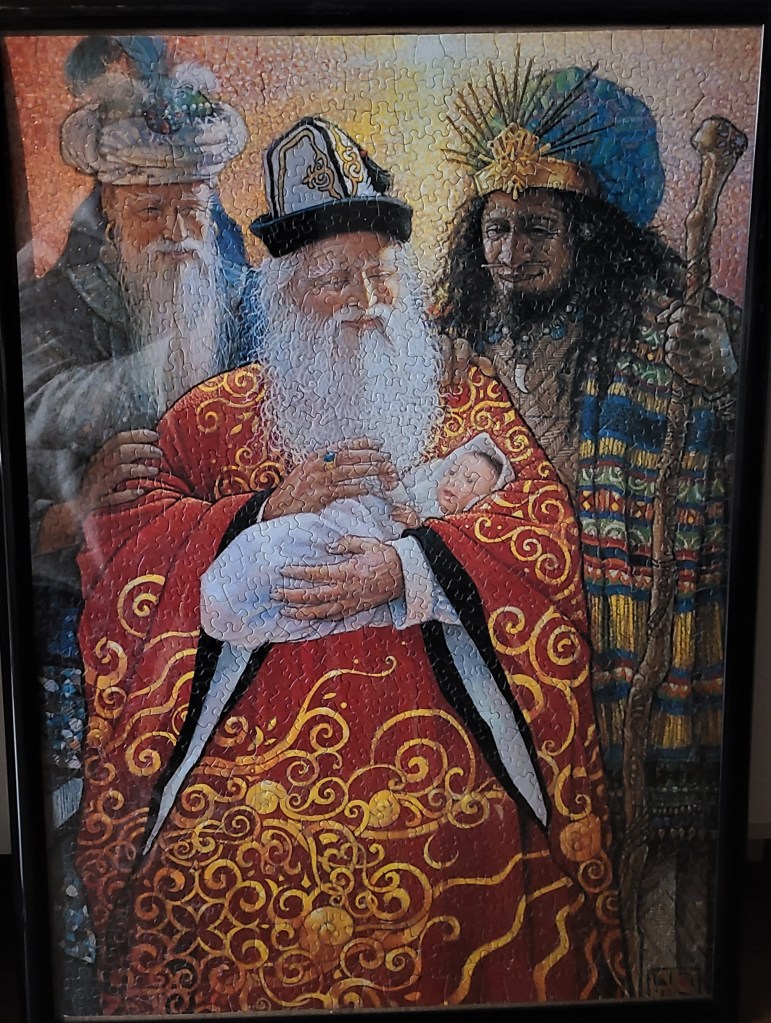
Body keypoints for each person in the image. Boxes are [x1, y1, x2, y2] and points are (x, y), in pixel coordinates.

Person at [75, 116, 625, 1014]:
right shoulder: (216, 416)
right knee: (205, 858)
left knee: (477, 841)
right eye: (335, 279)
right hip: (242, 758)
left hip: (450, 740)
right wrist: (262, 511)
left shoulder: (460, 396)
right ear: (285, 297)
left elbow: (539, 526)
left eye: (380, 275)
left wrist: (407, 571)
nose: (365, 300)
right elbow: (127, 542)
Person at [437, 62, 742, 990]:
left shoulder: (667, 326)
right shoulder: (457, 334)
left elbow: (728, 441)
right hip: (509, 640)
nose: (509, 252)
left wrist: (721, 372)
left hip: (620, 641)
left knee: (652, 878)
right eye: (495, 227)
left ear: (588, 232)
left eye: (536, 228)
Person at [20, 35, 262, 1010]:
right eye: (150, 210)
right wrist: (71, 508)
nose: (176, 231)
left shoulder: (244, 291)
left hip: (224, 620)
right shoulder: (48, 300)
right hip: (84, 636)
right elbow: (40, 411)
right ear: (110, 209)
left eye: (190, 208)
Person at [198, 433, 513, 647]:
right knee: (271, 561)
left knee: (301, 593)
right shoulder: (215, 407)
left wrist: (411, 565)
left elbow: (508, 554)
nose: (454, 481)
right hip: (326, 531)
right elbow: (176, 519)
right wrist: (269, 509)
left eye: (468, 481)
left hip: (378, 633)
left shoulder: (473, 402)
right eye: (453, 472)